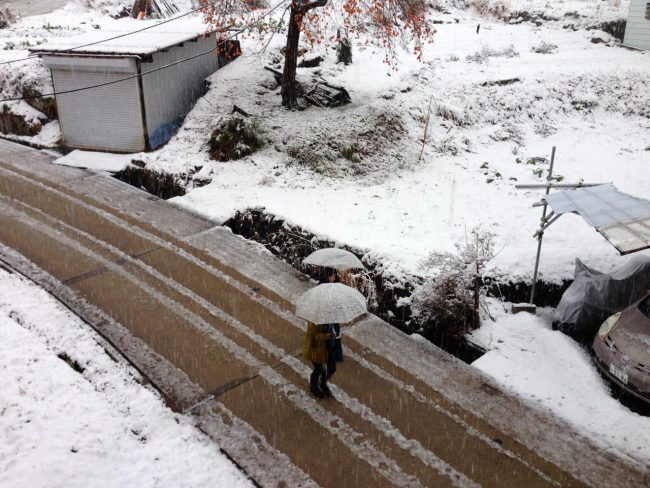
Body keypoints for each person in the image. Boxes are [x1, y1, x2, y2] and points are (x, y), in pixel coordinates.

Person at [319, 268, 344, 381]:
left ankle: (334, 355)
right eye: (331, 276)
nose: (333, 278)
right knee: (329, 336)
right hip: (326, 316)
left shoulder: (337, 285)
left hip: (334, 315)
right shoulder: (321, 287)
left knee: (335, 334)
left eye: (334, 275)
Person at [303, 321, 334, 398]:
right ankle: (313, 387)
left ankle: (322, 384)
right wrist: (328, 335)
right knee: (319, 368)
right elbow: (315, 337)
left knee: (330, 367)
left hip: (325, 348)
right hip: (316, 350)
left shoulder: (328, 319)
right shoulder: (314, 322)